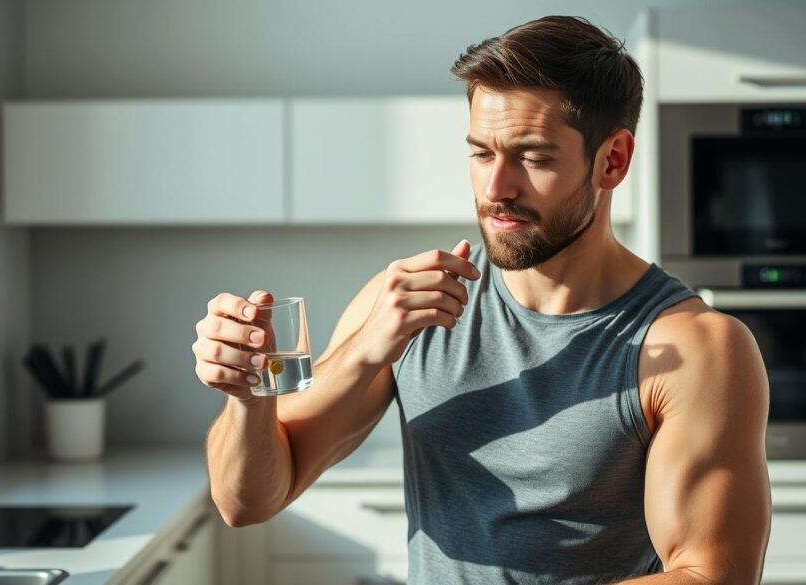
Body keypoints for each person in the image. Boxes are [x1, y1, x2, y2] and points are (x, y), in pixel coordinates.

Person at [193, 15, 771, 585]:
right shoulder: (406, 305)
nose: (497, 189)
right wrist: (255, 394)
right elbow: (246, 502)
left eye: (534, 157)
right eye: (481, 153)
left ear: (612, 160)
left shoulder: (693, 349)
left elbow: (711, 575)